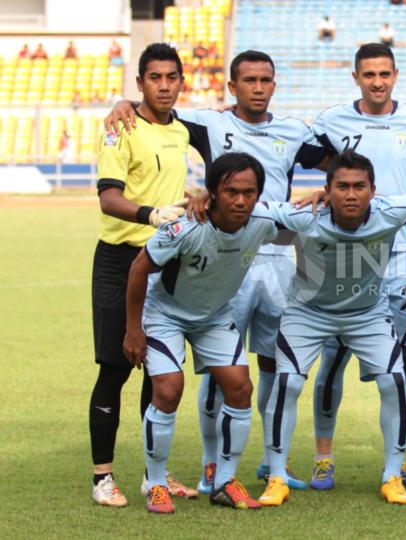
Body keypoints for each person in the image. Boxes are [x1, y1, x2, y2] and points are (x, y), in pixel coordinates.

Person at [103, 49, 330, 495]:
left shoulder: (293, 131)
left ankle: (271, 463)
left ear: (274, 85)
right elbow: (156, 108)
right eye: (249, 80)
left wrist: (327, 186)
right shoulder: (209, 123)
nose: (258, 88)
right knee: (217, 366)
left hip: (274, 250)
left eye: (266, 80)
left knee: (272, 363)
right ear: (233, 86)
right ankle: (212, 467)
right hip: (220, 250)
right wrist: (123, 104)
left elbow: (338, 165)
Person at [257, 151, 406, 506]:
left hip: (367, 314)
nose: (351, 194)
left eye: (359, 186)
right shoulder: (305, 215)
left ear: (373, 190)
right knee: (288, 382)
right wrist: (208, 196)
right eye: (341, 186)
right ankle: (277, 476)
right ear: (326, 190)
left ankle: (393, 475)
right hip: (307, 312)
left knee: (395, 381)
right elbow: (249, 207)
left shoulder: (391, 211)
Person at [306, 43, 406, 493]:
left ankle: (397, 463)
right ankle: (323, 458)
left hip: (400, 260)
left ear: (396, 74)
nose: (378, 81)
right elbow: (298, 153)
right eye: (369, 74)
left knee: (398, 366)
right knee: (333, 360)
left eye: (385, 73)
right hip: (344, 259)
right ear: (356, 77)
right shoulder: (331, 120)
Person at [125, 153, 278, 513]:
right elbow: (137, 269)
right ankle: (157, 484)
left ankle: (223, 481)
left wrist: (320, 194)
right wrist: (133, 329)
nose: (241, 201)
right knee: (168, 389)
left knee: (240, 388)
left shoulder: (263, 222)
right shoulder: (186, 227)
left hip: (213, 315)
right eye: (231, 192)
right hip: (166, 314)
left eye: (249, 192)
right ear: (213, 193)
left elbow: (305, 218)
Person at [89, 43, 194, 508]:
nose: (165, 85)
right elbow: (108, 199)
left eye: (172, 77)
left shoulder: (183, 132)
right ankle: (103, 477)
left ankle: (154, 473)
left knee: (160, 371)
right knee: (115, 368)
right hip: (120, 258)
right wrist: (152, 214)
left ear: (182, 82)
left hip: (165, 260)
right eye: (155, 77)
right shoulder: (121, 127)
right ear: (140, 84)